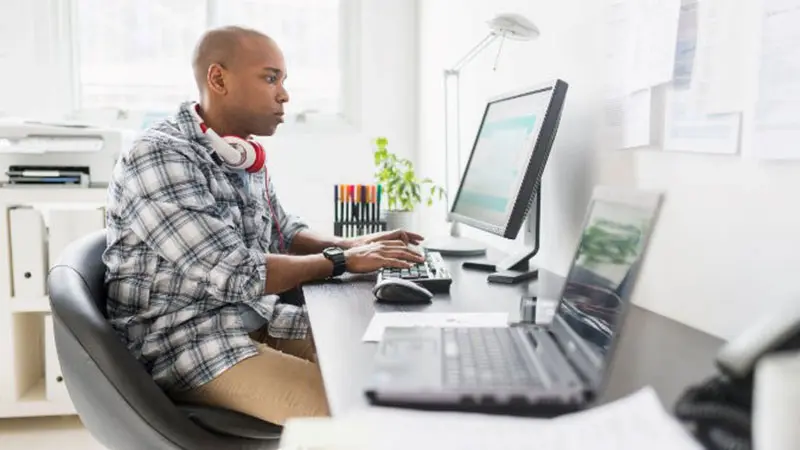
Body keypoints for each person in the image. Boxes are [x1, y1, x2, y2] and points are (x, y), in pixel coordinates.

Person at [103, 25, 425, 425]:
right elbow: (238, 272)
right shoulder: (159, 155)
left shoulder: (240, 153)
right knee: (353, 411)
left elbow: (284, 233)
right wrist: (342, 261)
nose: (285, 94)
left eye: (283, 80)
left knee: (385, 358)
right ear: (218, 78)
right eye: (271, 78)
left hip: (249, 316)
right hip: (184, 340)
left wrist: (356, 244)